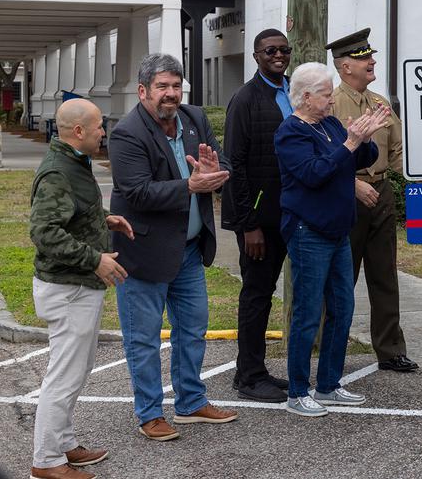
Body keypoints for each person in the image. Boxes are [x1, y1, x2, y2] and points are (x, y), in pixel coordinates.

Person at [109, 53, 238, 441]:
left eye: (176, 86)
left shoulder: (194, 118)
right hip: (143, 254)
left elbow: (222, 162)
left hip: (188, 250)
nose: (171, 94)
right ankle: (150, 413)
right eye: (162, 87)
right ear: (143, 90)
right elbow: (137, 191)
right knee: (144, 338)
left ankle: (190, 402)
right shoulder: (127, 133)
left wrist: (214, 170)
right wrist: (190, 186)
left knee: (193, 329)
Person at [274, 62, 390, 417]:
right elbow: (315, 174)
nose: (331, 101)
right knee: (308, 314)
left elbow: (357, 160)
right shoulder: (290, 133)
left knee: (342, 309)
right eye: (326, 95)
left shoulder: (329, 124)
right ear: (306, 97)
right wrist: (351, 142)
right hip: (309, 232)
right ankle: (297, 391)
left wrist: (364, 139)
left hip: (338, 230)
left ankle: (328, 384)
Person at [29, 98, 134, 479]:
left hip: (76, 288)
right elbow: (43, 232)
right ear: (78, 132)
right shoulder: (59, 171)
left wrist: (103, 220)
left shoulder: (73, 162)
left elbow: (68, 215)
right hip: (68, 288)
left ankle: (64, 443)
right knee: (65, 375)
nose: (103, 131)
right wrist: (95, 259)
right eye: (98, 126)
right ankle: (46, 461)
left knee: (76, 369)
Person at [327, 28, 418, 373]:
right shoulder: (331, 104)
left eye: (370, 56)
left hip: (380, 192)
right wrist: (351, 184)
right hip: (344, 195)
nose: (372, 62)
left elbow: (397, 149)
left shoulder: (380, 103)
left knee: (384, 275)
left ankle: (391, 349)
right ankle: (329, 347)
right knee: (339, 277)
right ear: (345, 66)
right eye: (364, 58)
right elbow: (322, 156)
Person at [221, 28, 293, 403]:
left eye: (283, 49)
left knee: (269, 293)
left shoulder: (294, 93)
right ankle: (249, 376)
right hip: (259, 220)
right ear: (256, 56)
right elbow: (233, 164)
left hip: (291, 213)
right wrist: (248, 224)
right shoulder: (245, 99)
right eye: (270, 51)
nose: (278, 55)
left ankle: (256, 369)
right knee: (257, 294)